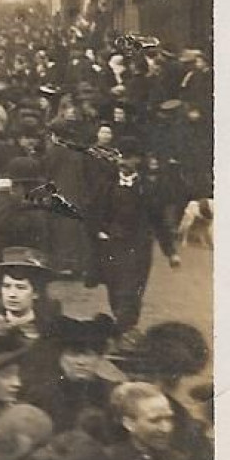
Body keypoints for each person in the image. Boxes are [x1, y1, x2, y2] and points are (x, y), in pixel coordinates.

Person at [85, 136, 180, 336]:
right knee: (115, 288)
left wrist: (170, 252)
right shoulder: (106, 185)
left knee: (132, 290)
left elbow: (159, 221)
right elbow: (92, 213)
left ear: (138, 160)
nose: (122, 161)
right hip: (112, 247)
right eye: (120, 156)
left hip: (138, 249)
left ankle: (126, 329)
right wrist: (99, 232)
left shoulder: (148, 187)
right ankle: (124, 327)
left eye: (128, 157)